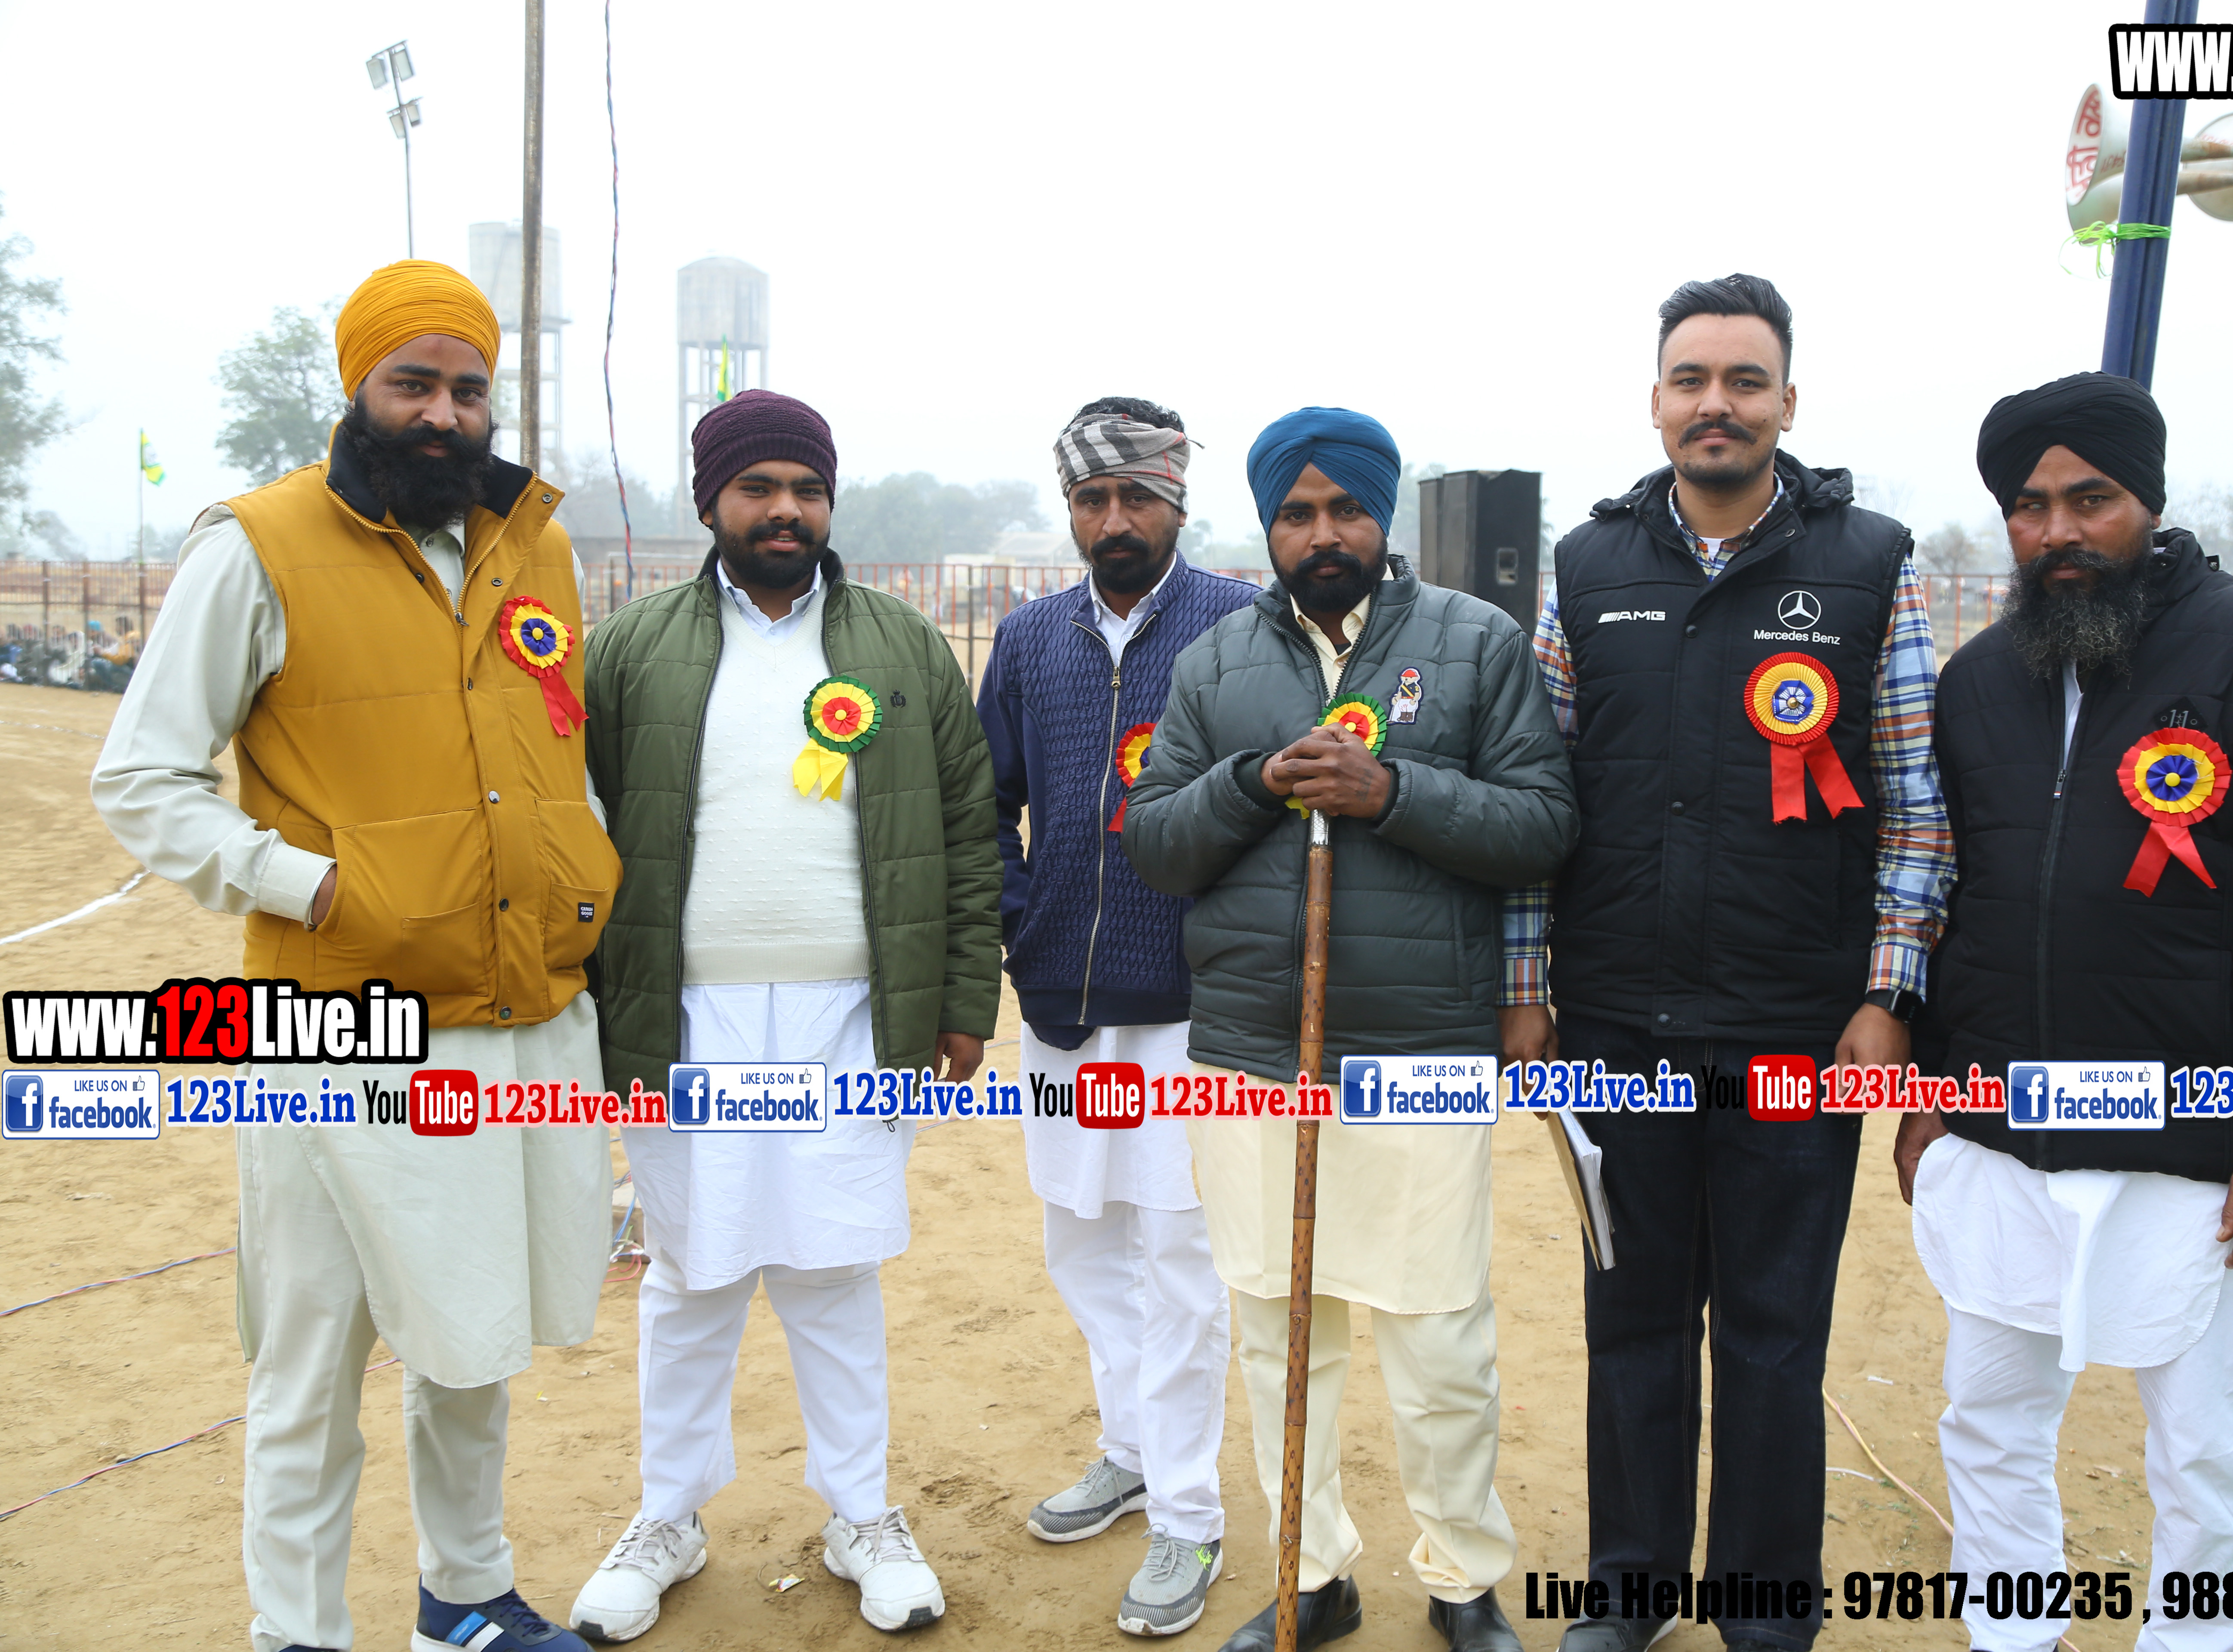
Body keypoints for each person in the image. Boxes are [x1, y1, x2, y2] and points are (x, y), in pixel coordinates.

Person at [92, 260, 615, 1652]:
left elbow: (555, 753)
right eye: (413, 384)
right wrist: (316, 888)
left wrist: (580, 877)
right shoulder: (256, 544)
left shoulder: (535, 547)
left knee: (475, 1334)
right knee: (313, 1359)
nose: (443, 415)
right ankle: (298, 1631)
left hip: (519, 1018)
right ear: (358, 387)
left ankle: (466, 1596)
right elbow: (143, 779)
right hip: (337, 1024)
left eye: (469, 389)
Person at [1899, 371, 2233, 1652]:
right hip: (2005, 1137)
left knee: (2208, 1454)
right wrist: (1933, 1097)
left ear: (2149, 499)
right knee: (1987, 1423)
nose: (2059, 531)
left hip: (2209, 1151)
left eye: (2091, 499)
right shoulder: (1977, 680)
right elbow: (1952, 900)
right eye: (2029, 507)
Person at [1504, 274, 1949, 1652]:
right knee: (1631, 1321)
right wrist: (1525, 988)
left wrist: (1886, 993)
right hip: (1617, 1028)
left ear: (1787, 403)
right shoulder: (1588, 568)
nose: (1718, 403)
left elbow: (1916, 805)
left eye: (1745, 380)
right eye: (1692, 379)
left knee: (1773, 1332)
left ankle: (1762, 1609)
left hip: (1797, 1028)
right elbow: (1540, 796)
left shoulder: (1873, 562)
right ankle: (1629, 1589)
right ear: (1656, 401)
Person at [1121, 407, 1577, 1652]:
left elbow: (1542, 822)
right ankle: (1311, 1573)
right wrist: (1251, 782)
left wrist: (1393, 791)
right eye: (1295, 513)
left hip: (1420, 1051)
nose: (1321, 534)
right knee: (1278, 1332)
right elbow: (1156, 841)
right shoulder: (1215, 660)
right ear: (1267, 526)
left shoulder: (1474, 642)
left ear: (1383, 515)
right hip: (1252, 1057)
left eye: (1344, 510)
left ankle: (1461, 1578)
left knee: (1439, 1339)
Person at [565, 389, 1001, 1640]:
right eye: (758, 487)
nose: (785, 510)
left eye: (806, 488)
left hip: (853, 1017)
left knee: (832, 1270)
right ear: (710, 500)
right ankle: (668, 1514)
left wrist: (961, 997)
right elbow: (573, 832)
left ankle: (862, 1513)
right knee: (689, 1273)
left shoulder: (902, 645)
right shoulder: (632, 648)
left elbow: (967, 828)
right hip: (681, 1020)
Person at [975, 396, 1256, 1635]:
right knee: (1083, 1242)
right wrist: (1024, 921)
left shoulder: (1237, 624)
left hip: (1191, 1011)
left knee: (1182, 1263)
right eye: (1091, 499)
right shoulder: (1030, 637)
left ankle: (1189, 1515)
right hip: (1061, 1005)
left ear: (1176, 501)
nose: (1113, 519)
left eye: (1136, 495)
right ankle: (1132, 1450)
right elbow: (985, 804)